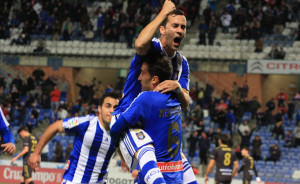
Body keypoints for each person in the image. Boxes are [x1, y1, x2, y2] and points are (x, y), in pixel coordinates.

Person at [110, 0, 196, 183]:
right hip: (129, 120)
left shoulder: (182, 63)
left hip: (155, 127)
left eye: (183, 27)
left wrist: (178, 88)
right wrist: (163, 13)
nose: (180, 30)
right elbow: (140, 43)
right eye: (175, 25)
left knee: (183, 170)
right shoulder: (152, 48)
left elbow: (186, 104)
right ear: (163, 29)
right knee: (147, 152)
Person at [111, 55, 182, 183]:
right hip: (176, 175)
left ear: (154, 79)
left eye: (142, 73)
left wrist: (119, 149)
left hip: (153, 173)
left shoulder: (145, 98)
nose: (139, 78)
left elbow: (116, 127)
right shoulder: (177, 97)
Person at [27, 93, 119, 183]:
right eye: (108, 106)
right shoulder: (86, 123)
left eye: (115, 108)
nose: (111, 110)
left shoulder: (119, 132)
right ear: (99, 109)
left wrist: (124, 161)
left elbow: (120, 146)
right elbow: (55, 126)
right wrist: (36, 153)